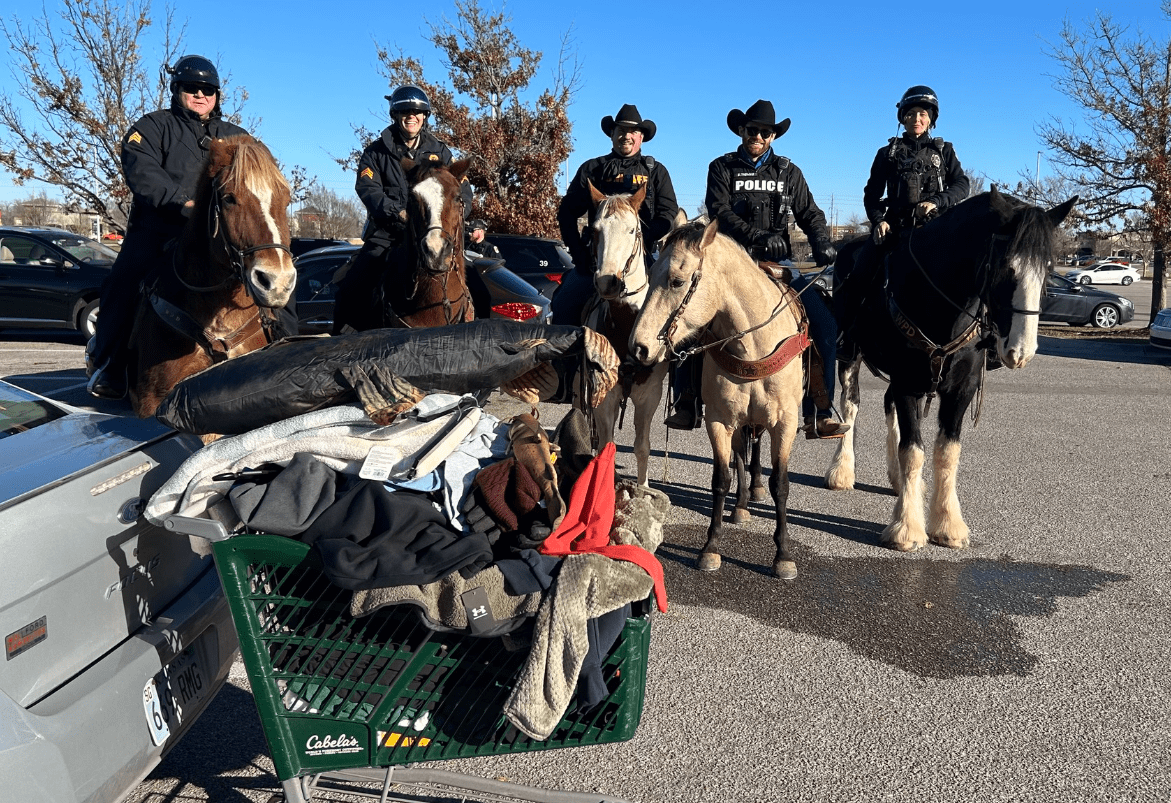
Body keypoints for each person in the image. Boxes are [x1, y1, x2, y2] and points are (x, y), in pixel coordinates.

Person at [663, 100, 846, 439]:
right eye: (752, 130)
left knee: (823, 323)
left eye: (765, 131)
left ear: (774, 136)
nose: (758, 136)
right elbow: (719, 211)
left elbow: (810, 213)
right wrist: (756, 236)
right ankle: (686, 399)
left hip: (779, 266)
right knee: (687, 320)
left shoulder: (789, 172)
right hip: (728, 267)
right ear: (741, 131)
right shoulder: (722, 168)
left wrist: (821, 240)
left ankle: (819, 410)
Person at [87, 55, 256, 399]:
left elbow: (257, 178)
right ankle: (110, 364)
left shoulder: (238, 137)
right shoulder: (149, 128)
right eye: (191, 88)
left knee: (274, 273)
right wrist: (184, 201)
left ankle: (286, 347)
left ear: (217, 95)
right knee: (122, 283)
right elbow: (144, 175)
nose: (200, 94)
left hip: (219, 238)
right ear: (176, 89)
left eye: (207, 89)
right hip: (160, 232)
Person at [335, 84, 478, 333]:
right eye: (404, 112)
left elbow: (461, 190)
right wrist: (398, 213)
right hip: (389, 234)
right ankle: (341, 342)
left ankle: (479, 332)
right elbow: (368, 189)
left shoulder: (440, 151)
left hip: (433, 229)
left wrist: (457, 217)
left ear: (424, 117)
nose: (411, 117)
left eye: (416, 112)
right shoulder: (375, 152)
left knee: (479, 281)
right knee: (353, 284)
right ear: (395, 116)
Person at [837, 86, 971, 351]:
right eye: (911, 114)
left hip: (936, 232)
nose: (917, 119)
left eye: (923, 114)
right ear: (902, 118)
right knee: (859, 273)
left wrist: (936, 201)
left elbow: (962, 185)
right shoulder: (886, 153)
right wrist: (878, 221)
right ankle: (845, 337)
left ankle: (985, 338)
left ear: (931, 118)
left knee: (975, 270)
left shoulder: (945, 151)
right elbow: (871, 195)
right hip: (895, 231)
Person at [552, 104, 679, 326]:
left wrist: (643, 238)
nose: (626, 136)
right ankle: (566, 359)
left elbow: (668, 213)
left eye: (633, 131)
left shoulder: (656, 172)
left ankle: (676, 361)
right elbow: (566, 213)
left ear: (641, 137)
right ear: (612, 134)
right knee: (563, 304)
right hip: (596, 259)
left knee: (677, 309)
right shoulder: (592, 169)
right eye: (621, 130)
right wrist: (578, 253)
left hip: (644, 256)